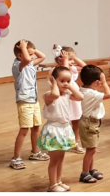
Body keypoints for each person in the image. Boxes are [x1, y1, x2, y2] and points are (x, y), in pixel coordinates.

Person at [38, 65, 83, 193]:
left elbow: (80, 97)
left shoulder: (68, 94)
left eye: (68, 81)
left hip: (64, 128)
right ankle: (52, 185)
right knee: (54, 159)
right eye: (62, 81)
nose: (66, 84)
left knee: (61, 158)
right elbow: (56, 94)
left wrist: (70, 86)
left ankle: (59, 181)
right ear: (53, 80)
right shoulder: (48, 95)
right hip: (54, 129)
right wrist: (54, 84)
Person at [11, 39, 48, 170]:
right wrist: (23, 48)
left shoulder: (30, 64)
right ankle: (16, 158)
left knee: (36, 127)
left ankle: (35, 152)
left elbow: (42, 57)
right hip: (24, 101)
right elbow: (26, 60)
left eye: (32, 55)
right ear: (19, 55)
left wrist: (31, 48)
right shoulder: (18, 65)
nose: (32, 57)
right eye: (29, 54)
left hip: (33, 100)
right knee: (24, 129)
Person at [78, 65, 110, 184]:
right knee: (91, 150)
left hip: (91, 122)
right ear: (97, 82)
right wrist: (105, 82)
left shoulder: (83, 89)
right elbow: (109, 95)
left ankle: (90, 169)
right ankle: (84, 173)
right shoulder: (92, 94)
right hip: (89, 123)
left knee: (92, 148)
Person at [51, 46, 86, 154]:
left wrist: (73, 58)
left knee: (76, 120)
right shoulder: (57, 71)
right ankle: (63, 141)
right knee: (63, 121)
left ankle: (76, 143)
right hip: (64, 98)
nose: (71, 62)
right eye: (69, 59)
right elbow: (64, 70)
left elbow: (85, 66)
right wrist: (66, 60)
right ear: (59, 60)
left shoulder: (73, 69)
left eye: (72, 59)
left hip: (73, 97)